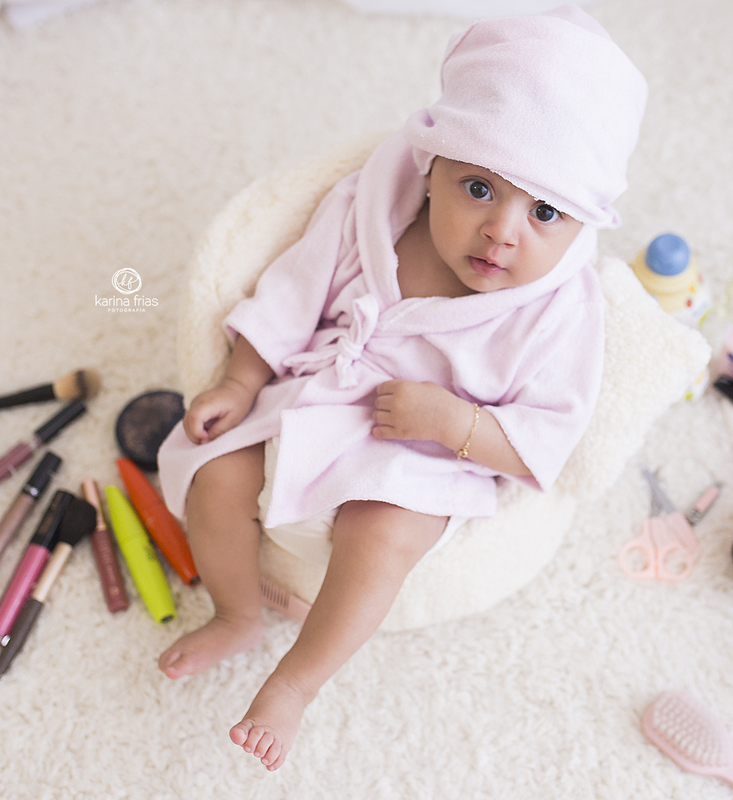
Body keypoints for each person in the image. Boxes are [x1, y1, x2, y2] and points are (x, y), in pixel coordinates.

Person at [155, 5, 646, 772]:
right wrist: (244, 375)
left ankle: (297, 682)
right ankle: (239, 611)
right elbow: (296, 286)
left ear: (579, 223)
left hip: (424, 454)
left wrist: (453, 424)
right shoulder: (373, 208)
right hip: (315, 396)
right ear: (433, 164)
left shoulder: (559, 309)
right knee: (210, 475)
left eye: (544, 211)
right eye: (479, 187)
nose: (503, 232)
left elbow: (546, 439)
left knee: (380, 534)